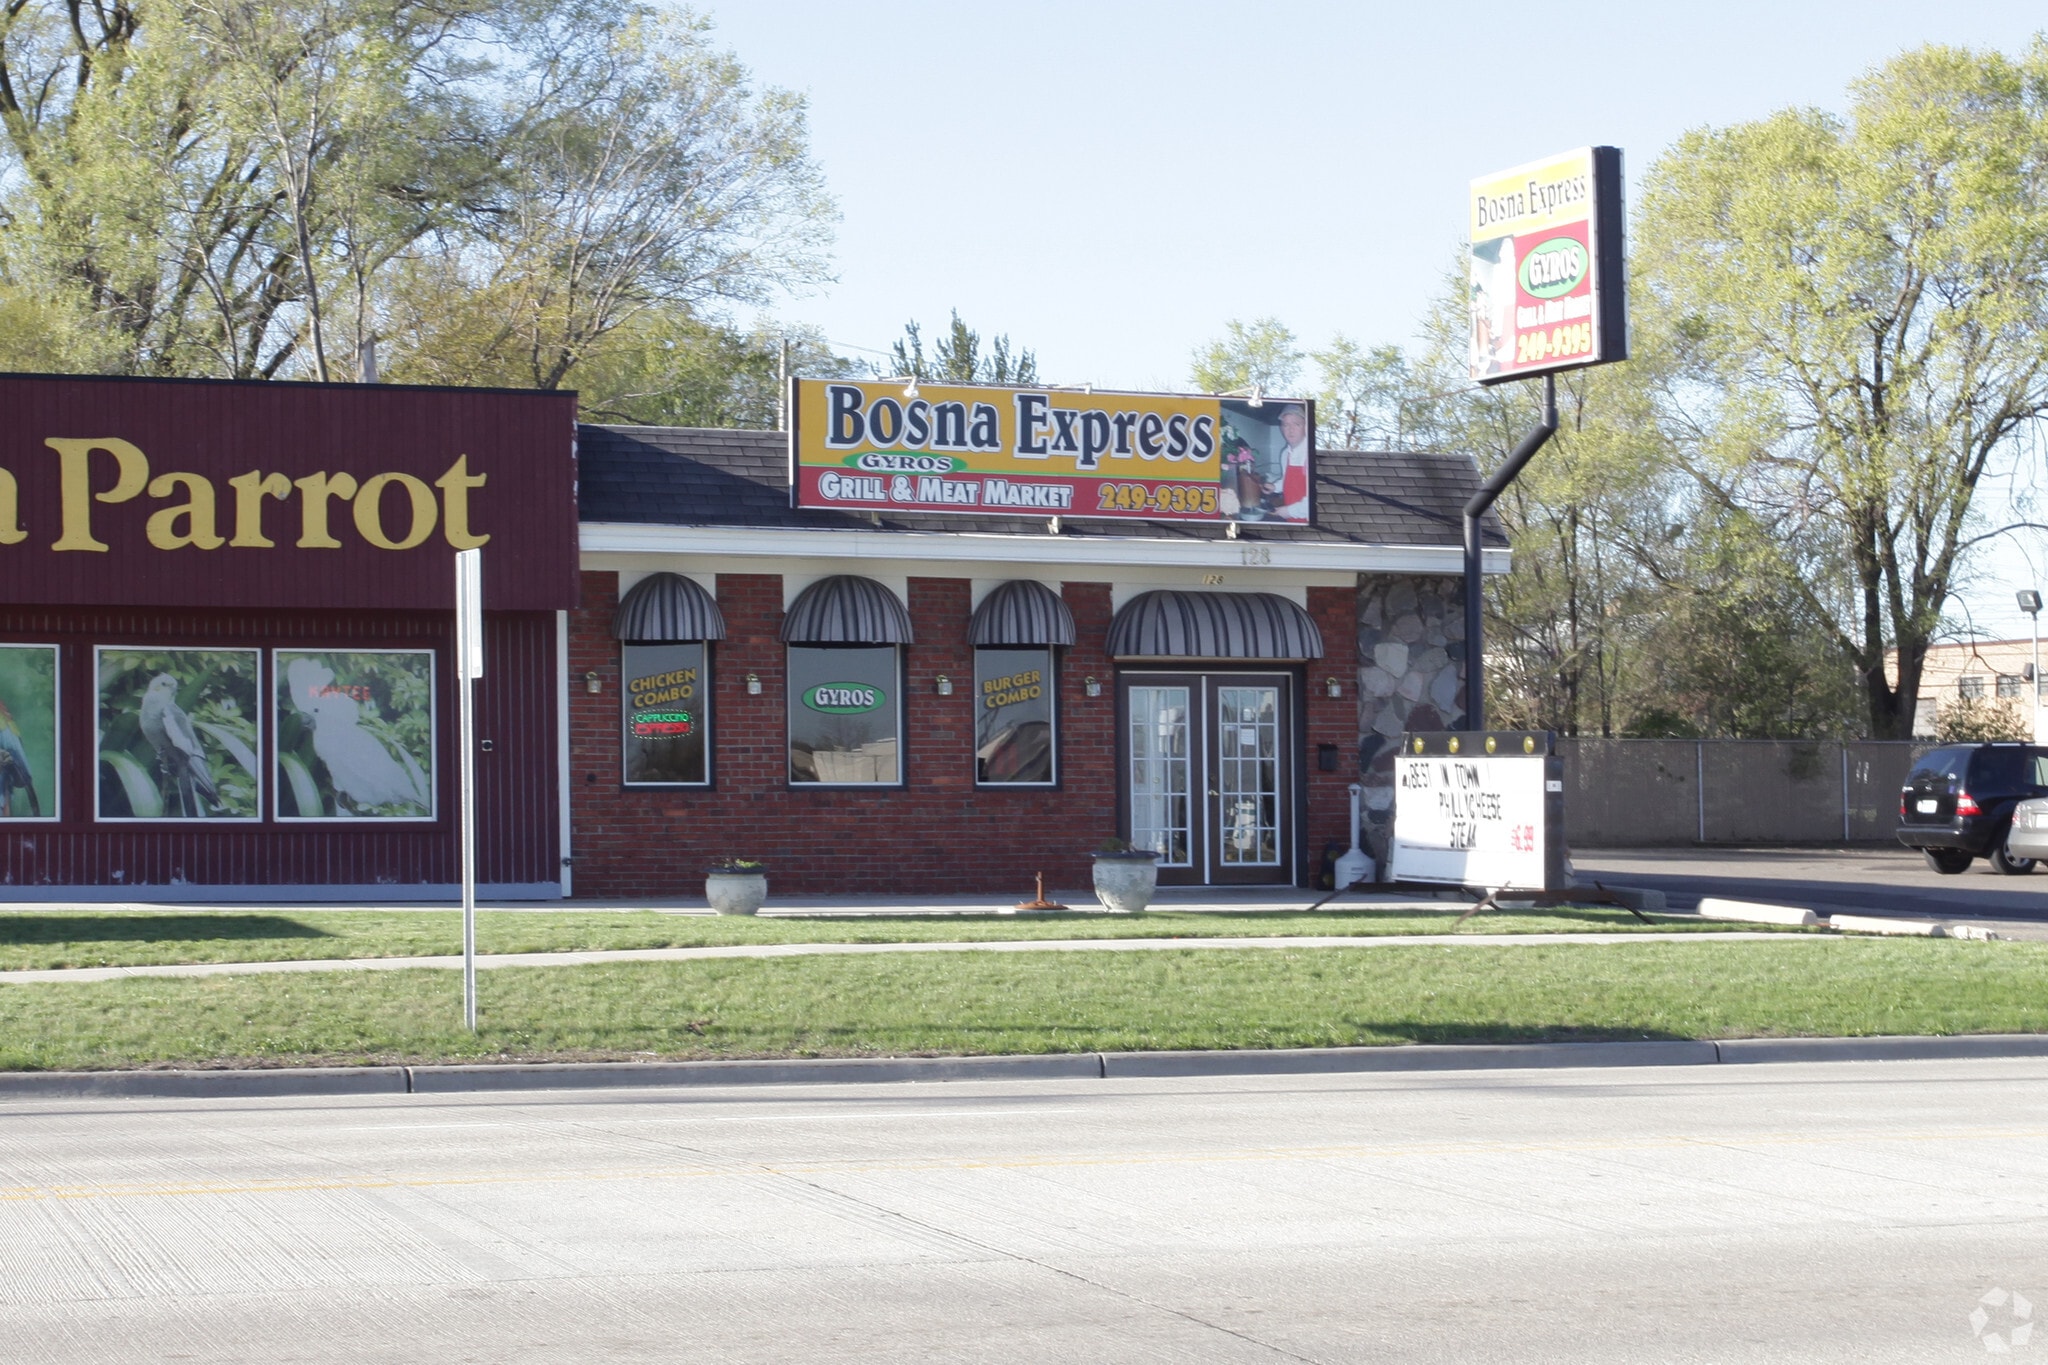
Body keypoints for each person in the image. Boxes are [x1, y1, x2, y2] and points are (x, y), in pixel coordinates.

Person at [1274, 406, 1311, 522]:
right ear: (1281, 429)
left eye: (1296, 424)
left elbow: (1315, 501)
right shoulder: (1285, 454)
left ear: (1305, 427)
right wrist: (1274, 487)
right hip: (1291, 521)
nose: (1290, 430)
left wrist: (1288, 511)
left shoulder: (1310, 454)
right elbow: (1287, 481)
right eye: (1286, 425)